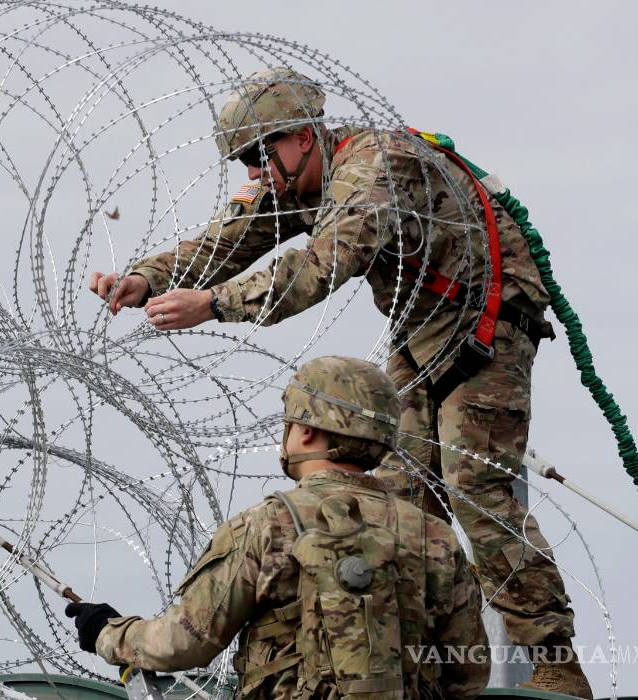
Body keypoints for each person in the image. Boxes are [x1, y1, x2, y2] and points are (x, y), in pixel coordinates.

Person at [87, 67, 590, 697]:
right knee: (399, 503)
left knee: (474, 487)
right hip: (422, 332)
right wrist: (149, 279)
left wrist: (213, 305)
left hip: (487, 326)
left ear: (300, 136)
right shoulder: (301, 177)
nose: (252, 172)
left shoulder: (376, 170)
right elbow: (234, 237)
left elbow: (320, 267)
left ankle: (555, 661)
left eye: (256, 154)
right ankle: (402, 663)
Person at [67, 356, 489, 699]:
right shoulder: (434, 534)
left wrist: (110, 632)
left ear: (305, 430)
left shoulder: (270, 522)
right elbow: (468, 674)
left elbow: (187, 640)